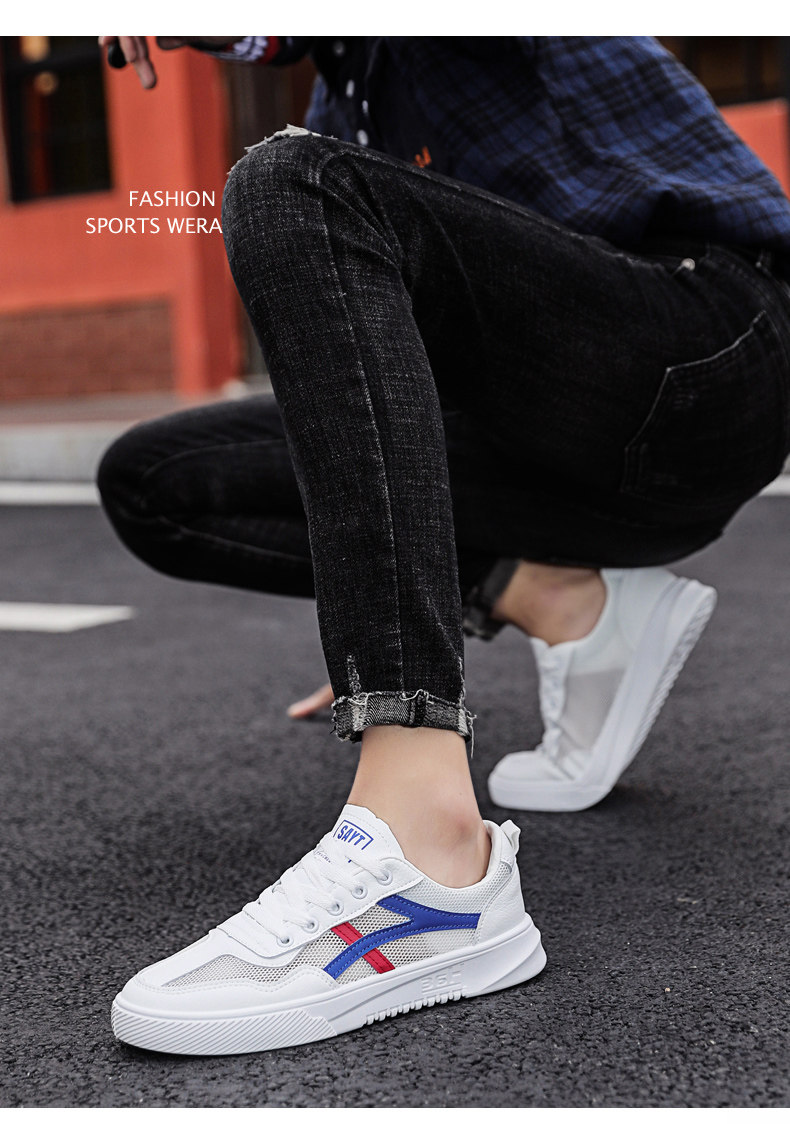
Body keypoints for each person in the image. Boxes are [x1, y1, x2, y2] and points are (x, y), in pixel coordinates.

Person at [97, 36, 790, 1056]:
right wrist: (383, 598)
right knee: (155, 479)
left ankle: (431, 853)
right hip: (550, 454)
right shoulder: (349, 107)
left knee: (295, 185)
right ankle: (558, 597)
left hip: (709, 356)